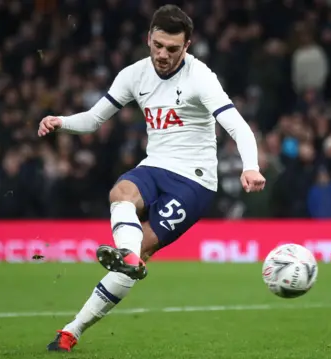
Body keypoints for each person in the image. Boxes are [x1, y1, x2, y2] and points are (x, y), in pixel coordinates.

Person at [38, 5, 266, 351]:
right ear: (149, 38)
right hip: (155, 165)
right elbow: (95, 119)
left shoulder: (200, 76)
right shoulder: (134, 74)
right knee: (121, 193)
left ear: (186, 46)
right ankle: (127, 256)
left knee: (141, 248)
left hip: (194, 181)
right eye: (158, 45)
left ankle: (73, 328)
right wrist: (61, 121)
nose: (163, 54)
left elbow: (237, 125)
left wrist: (251, 165)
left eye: (173, 49)